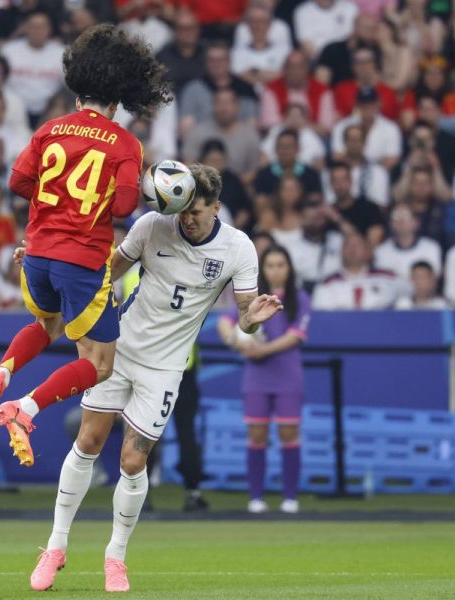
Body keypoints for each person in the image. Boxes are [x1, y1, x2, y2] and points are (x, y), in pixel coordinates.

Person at [27, 165, 282, 593]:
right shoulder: (151, 226)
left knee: (133, 461)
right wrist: (44, 270)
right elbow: (103, 273)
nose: (187, 219)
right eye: (182, 210)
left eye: (196, 212)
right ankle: (55, 547)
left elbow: (244, 318)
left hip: (165, 367)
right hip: (119, 349)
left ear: (216, 207)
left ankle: (116, 557)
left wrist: (253, 320)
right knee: (88, 441)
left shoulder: (238, 248)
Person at [0, 24, 171, 473]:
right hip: (81, 262)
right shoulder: (126, 143)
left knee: (49, 322)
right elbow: (123, 205)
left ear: (79, 96)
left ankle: (1, 372)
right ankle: (25, 408)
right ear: (116, 102)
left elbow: (18, 182)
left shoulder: (51, 129)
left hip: (37, 254)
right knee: (100, 365)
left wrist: (55, 203)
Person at [218, 245, 309, 514]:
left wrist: (262, 350)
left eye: (281, 265)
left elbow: (295, 336)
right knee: (256, 436)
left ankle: (290, 498)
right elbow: (225, 322)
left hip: (288, 376)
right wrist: (236, 342)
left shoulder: (299, 298)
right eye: (270, 265)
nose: (276, 270)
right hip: (257, 378)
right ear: (262, 269)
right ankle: (256, 498)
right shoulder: (254, 299)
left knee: (289, 435)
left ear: (289, 268)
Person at [0, 12, 66, 125]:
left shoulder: (62, 52)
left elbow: (70, 85)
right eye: (33, 26)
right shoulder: (9, 51)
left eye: (41, 27)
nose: (37, 31)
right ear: (26, 28)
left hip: (49, 111)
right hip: (13, 109)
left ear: (49, 29)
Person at [312, 231, 400, 309]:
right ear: (341, 251)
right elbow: (323, 316)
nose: (352, 249)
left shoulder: (388, 277)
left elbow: (405, 299)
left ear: (367, 251)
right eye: (348, 245)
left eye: (357, 245)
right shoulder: (328, 284)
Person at [374, 204, 441, 290]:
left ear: (416, 222)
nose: (401, 221)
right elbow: (382, 285)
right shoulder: (382, 251)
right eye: (396, 217)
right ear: (391, 223)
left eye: (406, 216)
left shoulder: (431, 248)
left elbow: (433, 280)